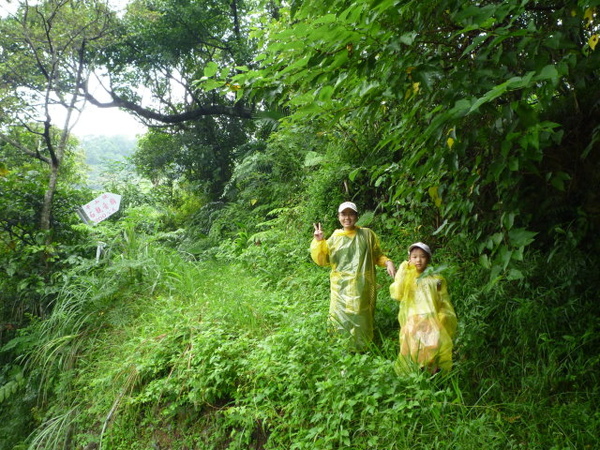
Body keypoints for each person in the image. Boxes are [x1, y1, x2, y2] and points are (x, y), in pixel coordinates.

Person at [311, 201, 396, 351]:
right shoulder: (335, 238)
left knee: (361, 315)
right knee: (340, 316)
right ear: (338, 217)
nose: (347, 218)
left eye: (351, 214)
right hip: (341, 286)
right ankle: (341, 346)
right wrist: (319, 242)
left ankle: (364, 347)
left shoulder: (367, 235)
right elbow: (323, 260)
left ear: (357, 216)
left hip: (362, 285)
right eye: (344, 214)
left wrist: (388, 262)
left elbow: (377, 256)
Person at [389, 242, 457, 374]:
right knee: (414, 348)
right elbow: (398, 294)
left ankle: (433, 374)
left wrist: (443, 316)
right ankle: (417, 374)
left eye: (422, 257)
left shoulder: (436, 279)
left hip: (431, 318)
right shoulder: (408, 277)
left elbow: (443, 301)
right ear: (410, 259)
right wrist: (403, 271)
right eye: (414, 257)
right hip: (413, 319)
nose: (418, 260)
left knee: (432, 346)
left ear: (428, 258)